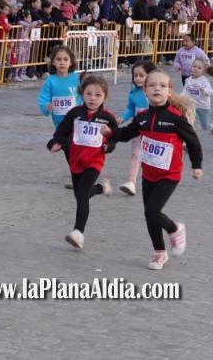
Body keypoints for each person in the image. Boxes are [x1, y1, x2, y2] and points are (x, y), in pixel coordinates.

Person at [106, 69, 202, 270]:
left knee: (152, 211)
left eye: (162, 85)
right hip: (149, 173)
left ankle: (174, 228)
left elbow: (193, 142)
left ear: (169, 90)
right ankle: (159, 252)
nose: (157, 88)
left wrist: (196, 165)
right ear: (145, 91)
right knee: (149, 215)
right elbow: (125, 134)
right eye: (152, 85)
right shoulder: (142, 117)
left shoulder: (175, 118)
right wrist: (110, 133)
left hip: (169, 174)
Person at [47, 75, 117, 249]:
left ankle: (78, 233)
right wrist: (54, 143)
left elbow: (114, 138)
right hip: (76, 159)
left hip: (95, 160)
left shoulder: (108, 118)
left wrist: (108, 145)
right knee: (80, 195)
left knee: (83, 194)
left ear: (105, 97)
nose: (93, 98)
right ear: (82, 94)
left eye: (98, 95)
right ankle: (101, 188)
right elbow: (61, 131)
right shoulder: (75, 113)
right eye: (89, 94)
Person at [117, 60, 157, 196]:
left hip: (155, 131)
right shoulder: (133, 93)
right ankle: (131, 182)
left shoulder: (156, 91)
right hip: (138, 129)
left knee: (152, 157)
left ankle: (156, 181)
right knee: (135, 154)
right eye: (135, 75)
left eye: (141, 75)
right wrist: (123, 118)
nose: (138, 78)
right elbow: (130, 108)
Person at [38, 45, 82, 127]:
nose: (62, 62)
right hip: (59, 123)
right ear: (53, 62)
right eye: (58, 59)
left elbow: (83, 96)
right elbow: (43, 98)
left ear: (71, 62)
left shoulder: (77, 79)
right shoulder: (50, 81)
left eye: (65, 59)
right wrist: (47, 106)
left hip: (77, 120)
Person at [181, 59, 213, 135]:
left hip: (203, 106)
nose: (196, 69)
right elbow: (185, 92)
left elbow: (211, 91)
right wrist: (180, 99)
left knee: (205, 126)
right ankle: (190, 135)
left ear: (203, 71)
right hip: (192, 106)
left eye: (199, 68)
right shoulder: (188, 80)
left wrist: (204, 90)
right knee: (189, 121)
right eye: (194, 66)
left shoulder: (204, 81)